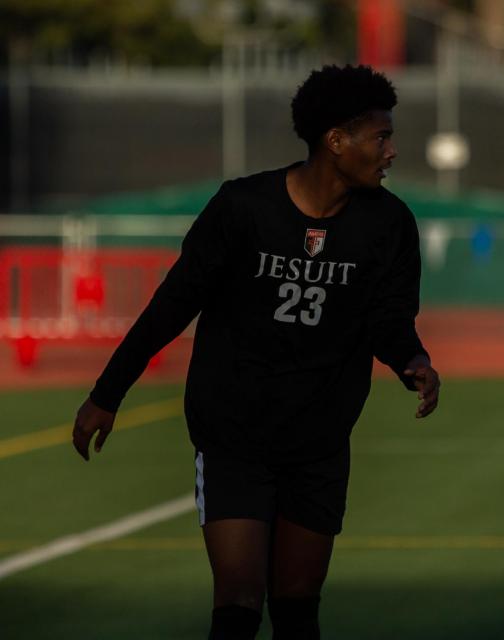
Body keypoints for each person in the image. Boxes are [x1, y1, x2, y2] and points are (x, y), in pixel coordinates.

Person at [72, 64, 440, 640]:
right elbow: (173, 304)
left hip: (318, 442)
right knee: (240, 600)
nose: (392, 150)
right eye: (382, 137)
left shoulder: (391, 224)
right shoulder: (243, 208)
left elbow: (389, 320)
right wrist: (106, 393)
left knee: (296, 609)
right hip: (234, 435)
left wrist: (412, 360)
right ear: (336, 141)